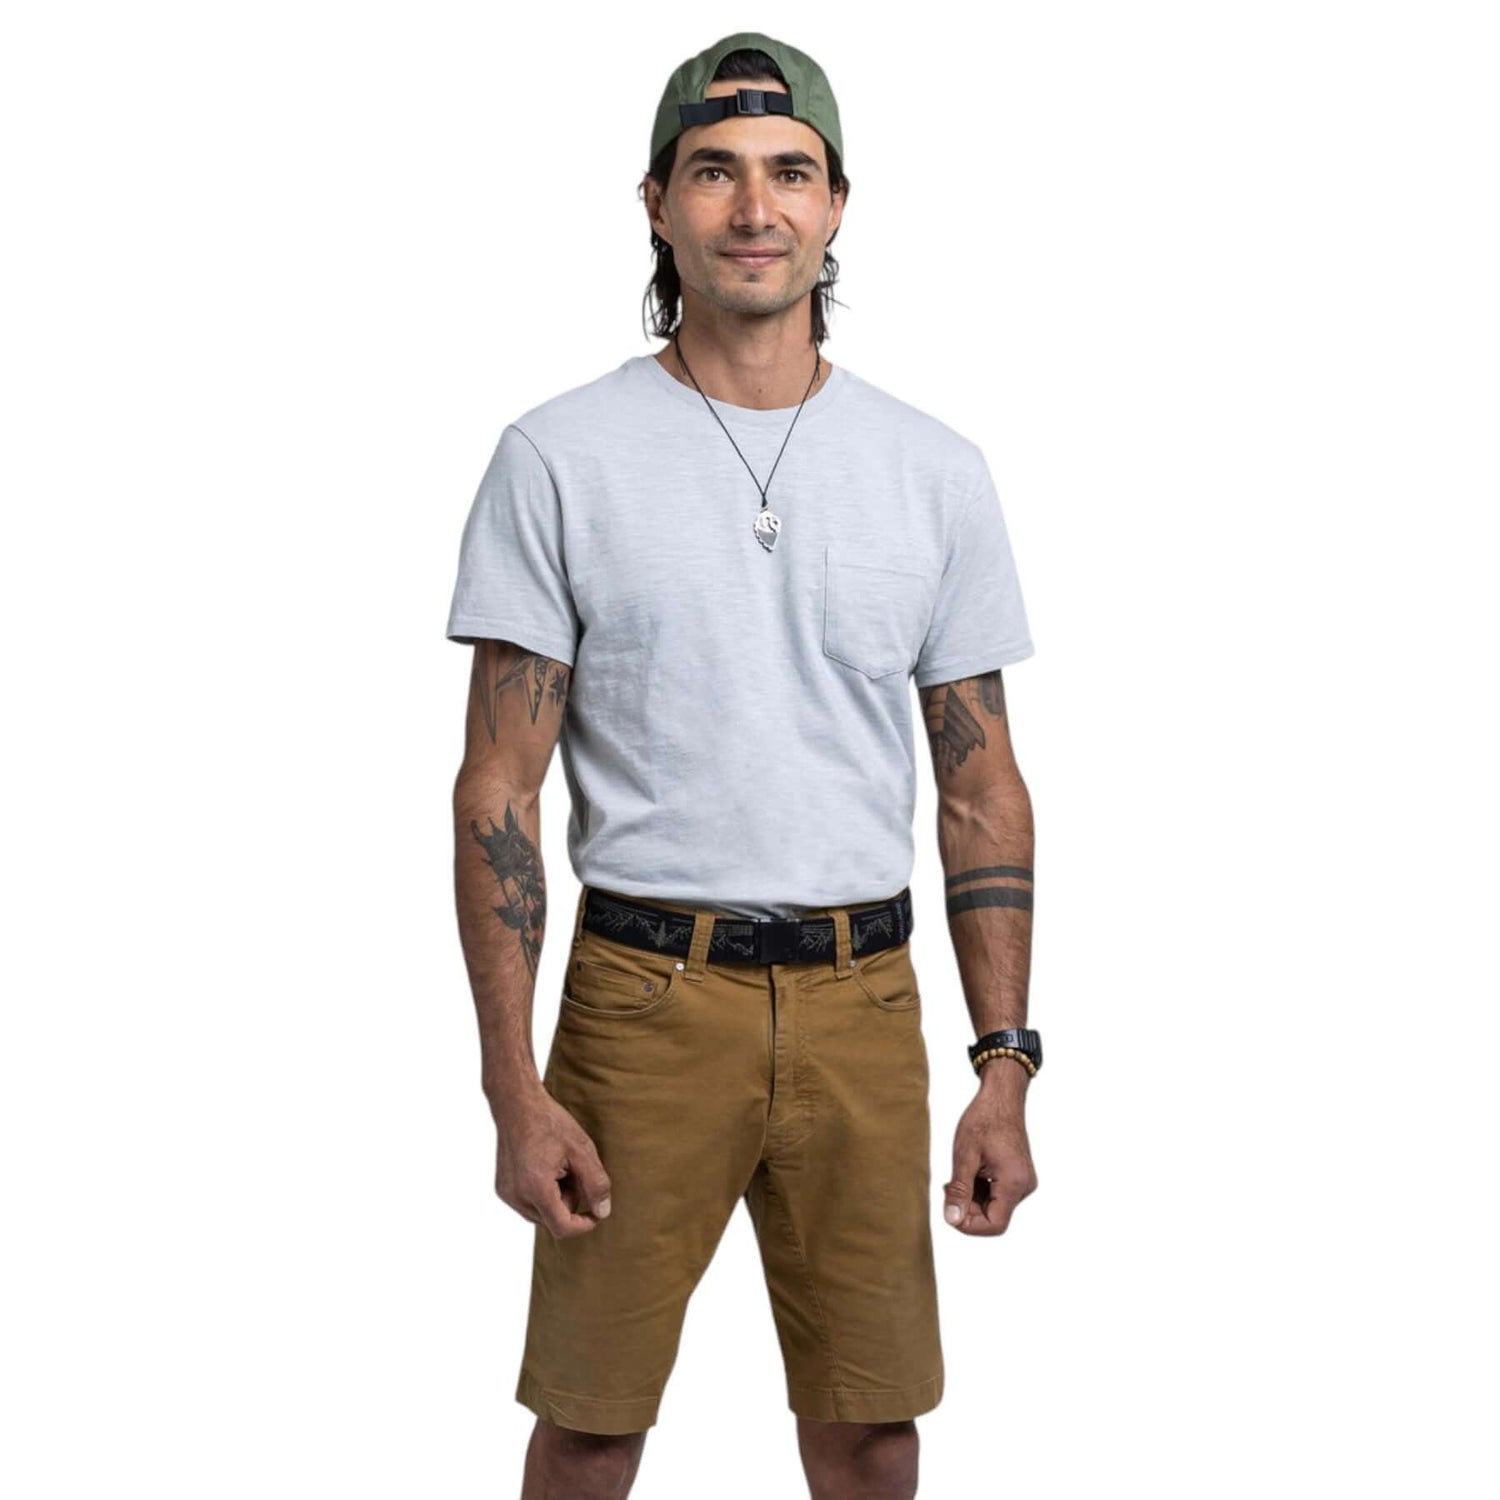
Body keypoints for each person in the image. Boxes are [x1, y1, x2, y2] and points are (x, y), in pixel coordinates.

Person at [445, 31, 1042, 1500]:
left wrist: (1006, 1067)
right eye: (715, 172)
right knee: (592, 1424)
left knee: (873, 1427)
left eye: (789, 172)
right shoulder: (561, 456)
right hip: (645, 1002)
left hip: (865, 1000)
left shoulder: (934, 471)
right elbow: (499, 788)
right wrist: (512, 1087)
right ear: (657, 203)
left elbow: (979, 788)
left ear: (838, 204)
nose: (755, 207)